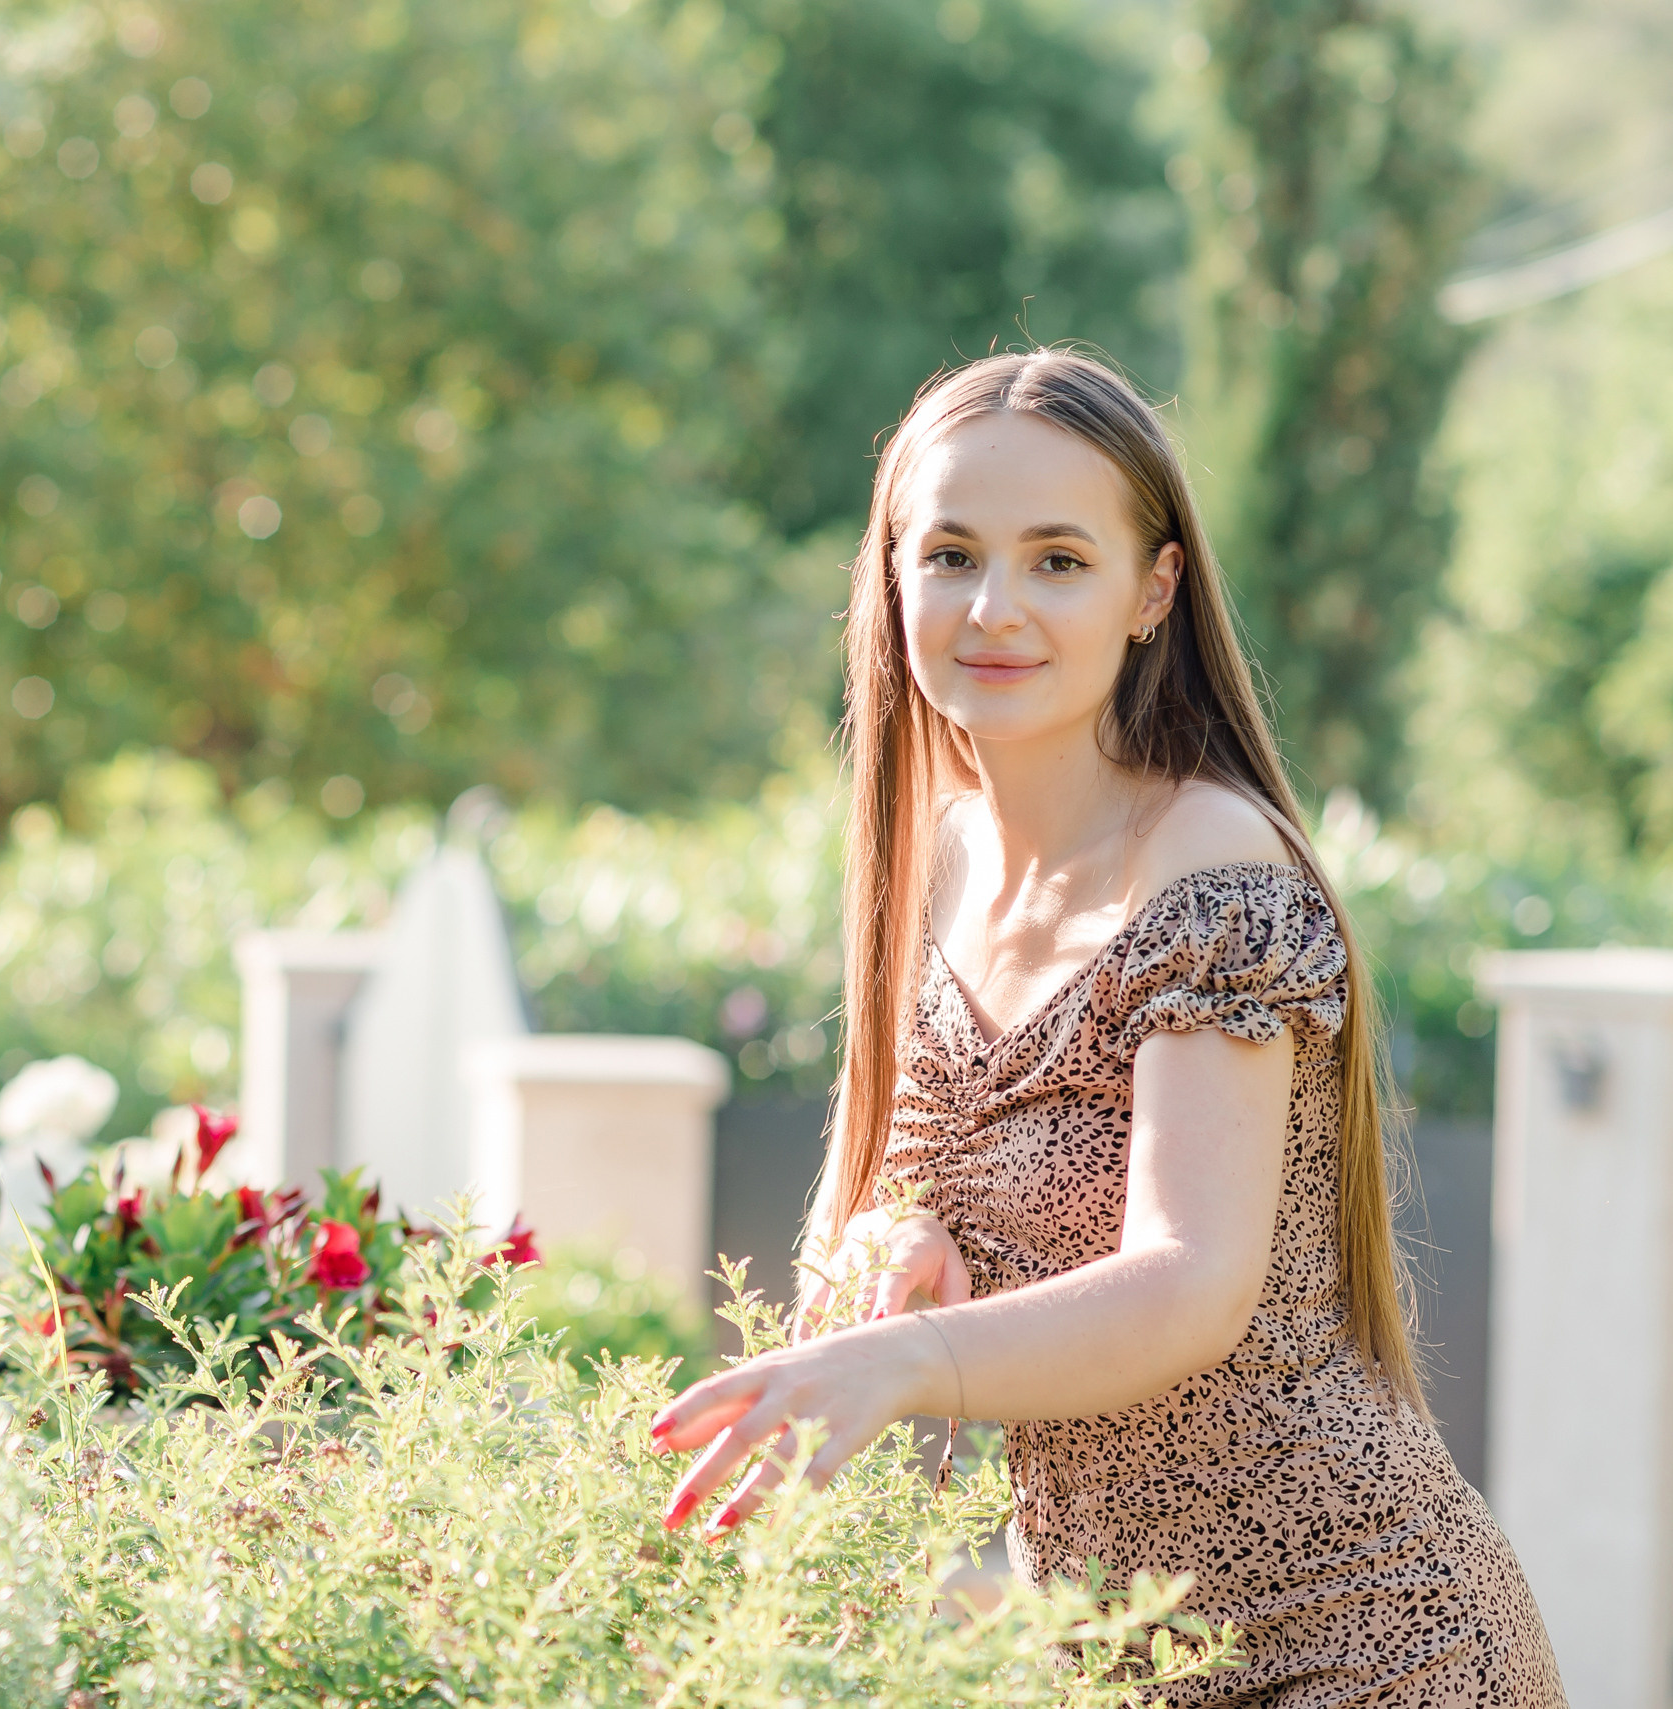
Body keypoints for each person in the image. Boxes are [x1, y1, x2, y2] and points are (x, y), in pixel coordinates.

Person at [648, 350, 1562, 1705]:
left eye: (1059, 560)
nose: (994, 606)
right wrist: (896, 1246)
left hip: (1369, 1641)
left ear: (1154, 590)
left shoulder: (1210, 866)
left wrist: (903, 1359)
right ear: (891, 574)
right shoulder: (937, 860)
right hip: (1107, 1664)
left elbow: (1189, 1281)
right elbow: (862, 1229)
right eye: (951, 553)